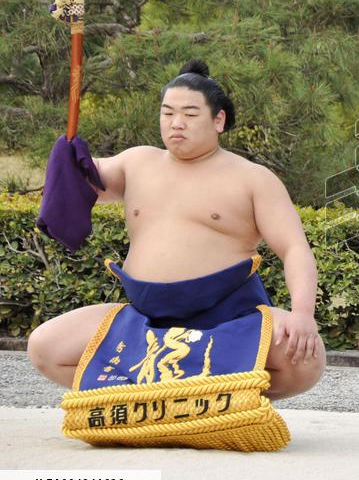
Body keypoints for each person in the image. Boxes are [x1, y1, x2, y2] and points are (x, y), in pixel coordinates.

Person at [28, 59, 325, 400]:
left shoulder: (253, 179)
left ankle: (210, 398)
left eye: (190, 114)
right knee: (45, 348)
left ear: (219, 120)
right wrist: (68, 153)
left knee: (305, 360)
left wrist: (303, 313)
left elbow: (294, 248)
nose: (176, 124)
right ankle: (164, 398)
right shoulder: (137, 162)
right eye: (167, 113)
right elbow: (85, 178)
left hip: (226, 318)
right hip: (144, 320)